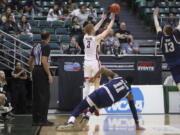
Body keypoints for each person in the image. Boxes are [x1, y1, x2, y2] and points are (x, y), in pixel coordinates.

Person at [57, 68, 145, 131]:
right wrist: (137, 124)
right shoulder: (129, 93)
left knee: (81, 105)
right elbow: (133, 109)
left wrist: (94, 77)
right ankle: (88, 115)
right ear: (131, 84)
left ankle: (70, 122)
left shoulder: (117, 77)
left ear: (125, 78)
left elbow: (102, 69)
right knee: (96, 105)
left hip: (103, 92)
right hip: (109, 101)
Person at [83, 13, 114, 101]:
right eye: (93, 29)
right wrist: (112, 20)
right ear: (91, 30)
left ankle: (84, 104)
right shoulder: (96, 38)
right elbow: (107, 30)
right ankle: (96, 104)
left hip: (86, 63)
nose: (94, 29)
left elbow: (95, 28)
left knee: (87, 84)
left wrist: (102, 19)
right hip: (94, 63)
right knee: (97, 83)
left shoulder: (85, 37)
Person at [29, 31, 54, 126]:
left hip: (35, 69)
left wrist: (32, 71)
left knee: (36, 96)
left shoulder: (35, 46)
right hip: (41, 71)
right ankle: (43, 120)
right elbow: (44, 61)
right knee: (44, 96)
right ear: (48, 37)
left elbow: (30, 60)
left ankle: (35, 120)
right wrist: (49, 74)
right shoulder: (46, 46)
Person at [153, 7, 180, 91]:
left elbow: (157, 26)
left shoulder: (161, 38)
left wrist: (154, 16)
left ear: (164, 31)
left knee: (178, 83)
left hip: (172, 65)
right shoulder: (175, 34)